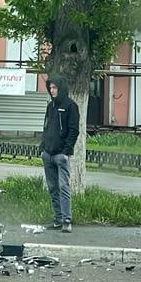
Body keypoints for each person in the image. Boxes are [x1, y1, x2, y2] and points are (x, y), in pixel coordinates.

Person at [40, 75, 80, 233]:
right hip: (47, 153)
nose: (52, 90)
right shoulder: (50, 106)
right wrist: (42, 147)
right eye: (50, 88)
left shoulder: (71, 106)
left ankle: (66, 220)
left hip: (60, 155)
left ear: (61, 88)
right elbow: (45, 126)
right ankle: (57, 219)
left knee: (64, 187)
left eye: (55, 88)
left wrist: (66, 151)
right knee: (52, 187)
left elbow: (74, 130)